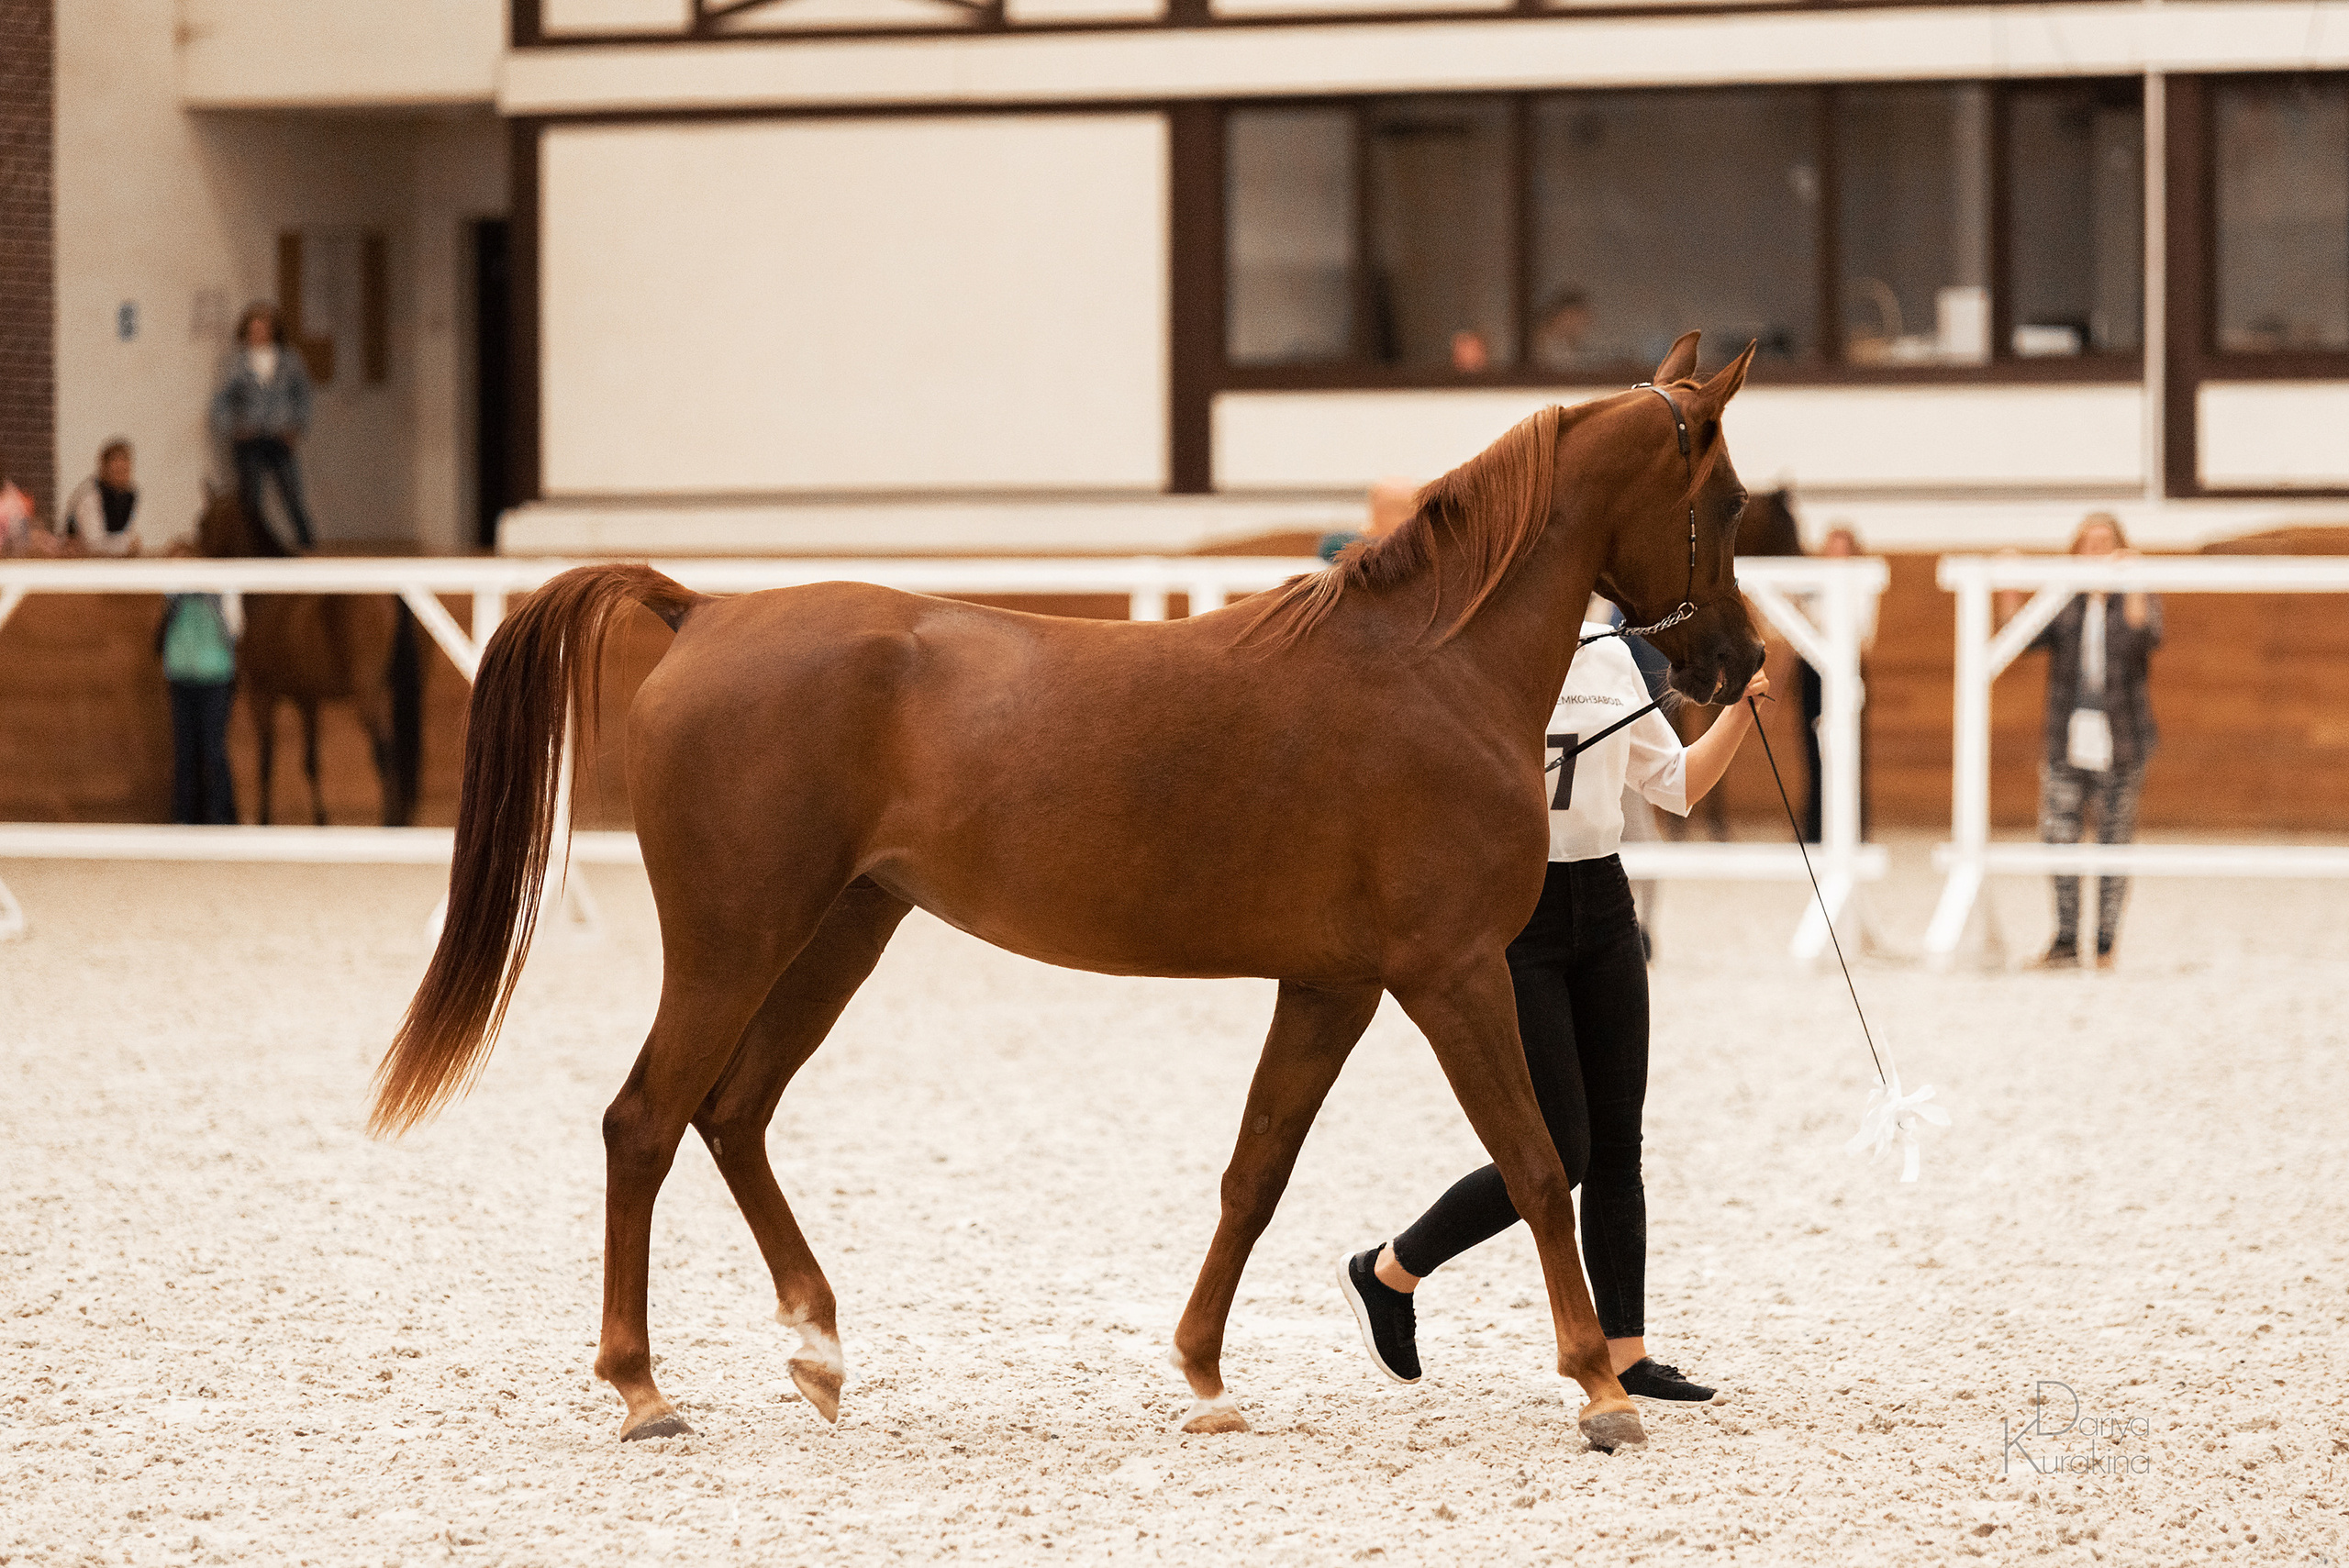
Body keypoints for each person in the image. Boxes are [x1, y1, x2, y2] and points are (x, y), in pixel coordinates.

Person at [1338, 631, 1773, 1403]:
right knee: (1560, 1150)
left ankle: (1626, 1350)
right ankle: (1389, 1270)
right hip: (1517, 911)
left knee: (1618, 1142)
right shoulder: (1485, 653)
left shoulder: (1611, 658)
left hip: (1604, 904)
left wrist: (1739, 712)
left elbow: (1673, 783)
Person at [1998, 514, 2160, 970]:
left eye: (2105, 542)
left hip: (2123, 735)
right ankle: (2067, 939)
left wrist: (2132, 583)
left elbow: (2144, 638)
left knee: (2114, 838)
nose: (2096, 551)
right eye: (2087, 544)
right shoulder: (2063, 599)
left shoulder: (2136, 592)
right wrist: (2010, 587)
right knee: (2058, 834)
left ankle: (2106, 942)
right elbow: (2021, 638)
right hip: (2066, 736)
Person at [209, 303, 317, 550]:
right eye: (253, 329)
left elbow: (303, 396)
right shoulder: (236, 362)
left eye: (263, 328)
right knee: (251, 498)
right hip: (249, 436)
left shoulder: (290, 360)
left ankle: (307, 542)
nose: (258, 334)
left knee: (291, 492)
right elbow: (222, 400)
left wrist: (297, 426)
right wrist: (233, 428)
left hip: (280, 434)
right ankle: (252, 545)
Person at [1799, 524, 1876, 843]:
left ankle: (1852, 826)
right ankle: (1815, 826)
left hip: (1846, 666)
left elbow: (1864, 632)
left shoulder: (1862, 582)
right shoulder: (1811, 583)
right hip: (1813, 669)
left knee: (1849, 745)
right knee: (1812, 746)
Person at [159, 587, 243, 825]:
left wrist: (213, 598)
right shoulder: (176, 587)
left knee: (214, 751)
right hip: (180, 676)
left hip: (216, 678)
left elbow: (235, 629)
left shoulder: (224, 587)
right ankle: (185, 820)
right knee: (185, 754)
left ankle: (222, 821)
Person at [62, 439, 143, 557]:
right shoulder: (89, 496)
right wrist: (126, 545)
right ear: (105, 468)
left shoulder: (129, 496)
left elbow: (127, 533)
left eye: (125, 470)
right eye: (117, 470)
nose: (121, 475)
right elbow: (93, 543)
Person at [1319, 477, 1420, 563]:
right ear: (1375, 509)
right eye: (1390, 508)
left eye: (1403, 510)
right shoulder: (1339, 543)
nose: (1397, 517)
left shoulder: (1419, 550)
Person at [1531, 290, 1598, 373]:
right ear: (1562, 314)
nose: (1580, 324)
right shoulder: (1540, 342)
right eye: (1575, 317)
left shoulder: (1568, 343)